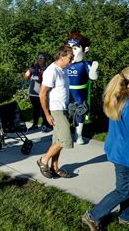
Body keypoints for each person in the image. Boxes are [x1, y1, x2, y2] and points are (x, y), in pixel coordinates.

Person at [81, 66, 129, 230]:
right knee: (123, 190)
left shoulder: (119, 97)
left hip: (118, 149)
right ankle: (93, 216)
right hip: (126, 154)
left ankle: (125, 217)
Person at [36, 45, 74, 179]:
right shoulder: (51, 71)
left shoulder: (63, 70)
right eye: (70, 57)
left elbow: (65, 89)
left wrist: (72, 102)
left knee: (57, 140)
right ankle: (44, 160)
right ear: (62, 56)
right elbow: (42, 94)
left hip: (63, 108)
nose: (72, 60)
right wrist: (47, 114)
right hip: (55, 109)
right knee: (65, 139)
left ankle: (55, 167)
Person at [66, 32, 99, 144]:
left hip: (79, 93)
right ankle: (64, 134)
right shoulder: (64, 63)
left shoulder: (86, 65)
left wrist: (93, 70)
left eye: (75, 48)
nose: (71, 51)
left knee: (80, 111)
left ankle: (78, 135)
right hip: (65, 92)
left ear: (85, 49)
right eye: (69, 48)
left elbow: (93, 77)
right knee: (63, 111)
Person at [24, 53, 50, 132]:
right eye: (38, 58)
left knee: (44, 109)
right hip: (33, 93)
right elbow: (26, 77)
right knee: (35, 109)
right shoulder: (34, 67)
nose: (40, 59)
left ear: (45, 59)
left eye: (41, 58)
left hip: (43, 93)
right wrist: (29, 71)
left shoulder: (48, 68)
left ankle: (45, 125)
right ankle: (35, 124)